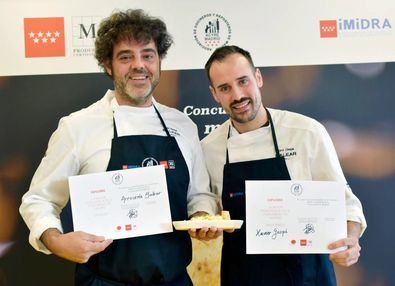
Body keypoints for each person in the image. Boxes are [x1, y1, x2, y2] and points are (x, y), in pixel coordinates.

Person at [19, 9, 217, 286]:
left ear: (159, 61)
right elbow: (39, 200)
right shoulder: (78, 126)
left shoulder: (182, 125)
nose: (139, 65)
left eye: (148, 55)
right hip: (105, 280)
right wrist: (56, 241)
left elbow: (198, 194)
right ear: (108, 65)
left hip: (174, 280)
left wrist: (201, 215)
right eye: (126, 57)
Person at [200, 45, 367, 286]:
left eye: (243, 81)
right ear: (214, 94)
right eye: (225, 88)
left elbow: (345, 203)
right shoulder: (208, 148)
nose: (237, 95)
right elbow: (205, 205)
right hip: (243, 276)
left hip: (307, 275)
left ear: (258, 78)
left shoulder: (306, 132)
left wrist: (350, 240)